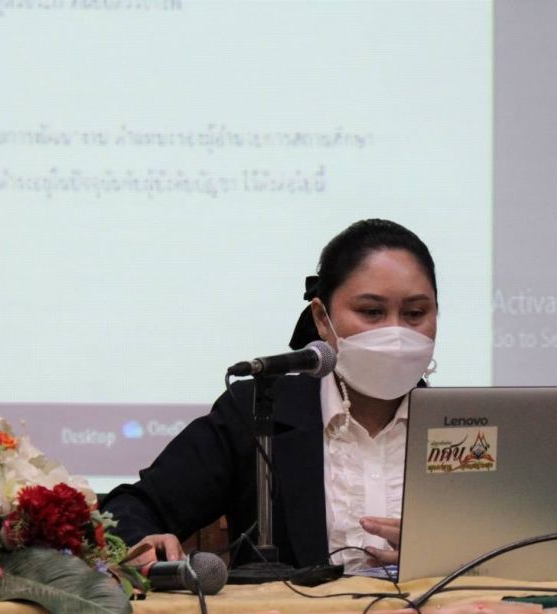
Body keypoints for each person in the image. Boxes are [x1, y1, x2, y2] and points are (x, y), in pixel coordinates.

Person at [102, 219, 438, 573]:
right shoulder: (259, 410)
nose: (395, 333)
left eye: (415, 313)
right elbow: (129, 511)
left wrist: (448, 552)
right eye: (372, 312)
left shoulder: (467, 427)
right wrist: (143, 542)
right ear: (322, 319)